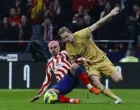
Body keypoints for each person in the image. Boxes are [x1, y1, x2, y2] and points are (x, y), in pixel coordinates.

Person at [58, 7, 123, 104]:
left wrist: (111, 14)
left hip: (101, 59)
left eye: (67, 36)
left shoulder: (81, 34)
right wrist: (82, 60)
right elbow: (74, 63)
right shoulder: (68, 48)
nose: (66, 39)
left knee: (118, 79)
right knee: (96, 83)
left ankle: (105, 74)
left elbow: (98, 24)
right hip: (90, 65)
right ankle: (117, 99)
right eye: (64, 38)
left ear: (71, 33)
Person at [30, 40, 100, 104]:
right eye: (51, 48)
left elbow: (75, 60)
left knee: (74, 66)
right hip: (63, 84)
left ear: (59, 48)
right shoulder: (49, 64)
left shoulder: (64, 53)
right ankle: (73, 101)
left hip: (71, 76)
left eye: (55, 47)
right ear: (49, 50)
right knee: (49, 92)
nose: (53, 49)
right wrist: (39, 95)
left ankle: (90, 87)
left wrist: (83, 59)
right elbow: (47, 81)